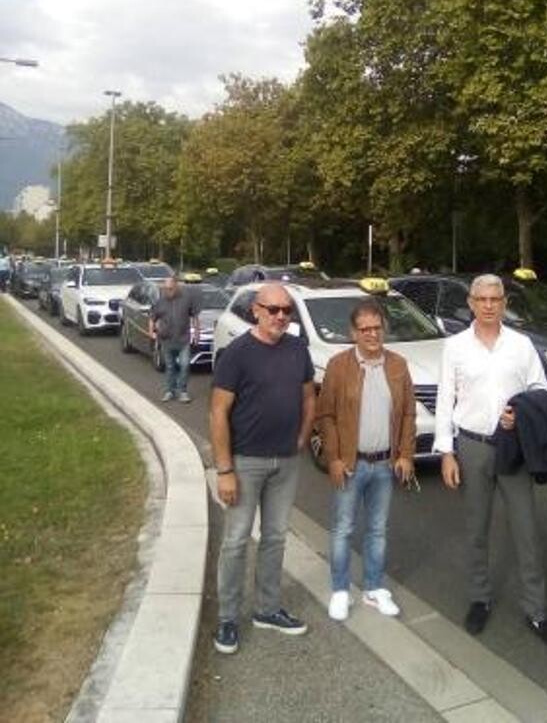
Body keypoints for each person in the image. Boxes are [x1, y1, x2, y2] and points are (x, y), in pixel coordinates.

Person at [434, 273, 547, 652]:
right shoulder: (456, 347)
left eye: (496, 299)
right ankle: (480, 599)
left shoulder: (521, 345)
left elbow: (541, 389)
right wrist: (446, 451)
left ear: (504, 304)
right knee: (476, 528)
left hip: (513, 447)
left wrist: (521, 413)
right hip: (472, 445)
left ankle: (537, 611)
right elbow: (446, 400)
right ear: (472, 304)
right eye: (483, 299)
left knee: (526, 530)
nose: (490, 305)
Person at [210, 283, 316, 654]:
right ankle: (227, 618)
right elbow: (218, 411)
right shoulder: (237, 354)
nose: (281, 317)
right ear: (256, 310)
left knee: (275, 538)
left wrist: (302, 437)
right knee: (236, 541)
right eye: (273, 310)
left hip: (285, 462)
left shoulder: (297, 349)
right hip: (245, 463)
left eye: (287, 310)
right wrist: (224, 470)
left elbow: (308, 397)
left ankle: (267, 610)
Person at [316, 298, 416, 622]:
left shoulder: (398, 365)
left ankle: (373, 588)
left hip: (385, 465)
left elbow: (408, 414)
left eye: (377, 328)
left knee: (377, 529)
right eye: (365, 329)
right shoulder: (338, 366)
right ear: (354, 333)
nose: (372, 334)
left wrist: (406, 454)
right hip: (350, 464)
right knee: (343, 528)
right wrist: (332, 458)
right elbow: (326, 415)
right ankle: (341, 590)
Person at [149, 274, 201, 403]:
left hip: (183, 339)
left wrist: (196, 333)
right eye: (166, 289)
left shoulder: (187, 299)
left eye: (170, 288)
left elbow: (195, 317)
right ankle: (169, 391)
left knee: (184, 365)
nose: (168, 291)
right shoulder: (160, 301)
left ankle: (182, 391)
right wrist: (152, 332)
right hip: (166, 340)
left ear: (176, 286)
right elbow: (152, 318)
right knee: (170, 367)